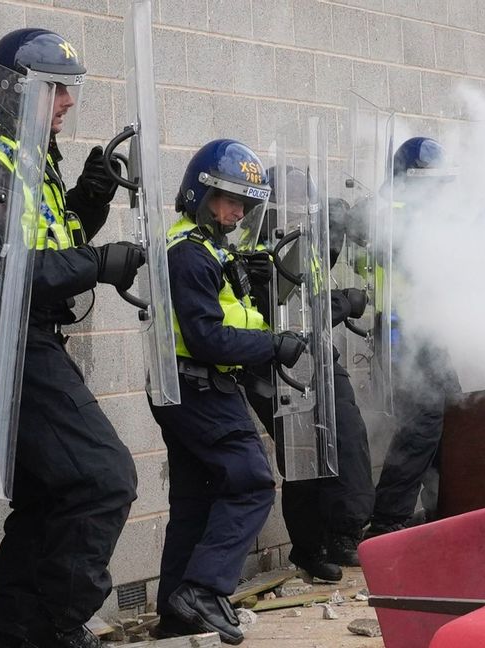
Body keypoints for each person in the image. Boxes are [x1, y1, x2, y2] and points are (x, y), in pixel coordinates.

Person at [0, 29, 141, 648]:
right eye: (56, 88)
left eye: (71, 88)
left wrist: (89, 202)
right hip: (4, 344)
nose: (69, 100)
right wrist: (100, 262)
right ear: (17, 89)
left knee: (50, 495)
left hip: (29, 338)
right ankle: (56, 626)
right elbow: (5, 270)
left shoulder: (31, 158)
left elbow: (48, 247)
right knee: (104, 479)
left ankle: (15, 632)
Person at [151, 140, 305, 644]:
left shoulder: (207, 248)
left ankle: (176, 615)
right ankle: (203, 590)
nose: (237, 211)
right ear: (200, 192)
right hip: (198, 384)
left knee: (195, 500)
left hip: (186, 384)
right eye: (228, 198)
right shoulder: (190, 255)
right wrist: (272, 345)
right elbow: (206, 337)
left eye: (245, 202)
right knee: (252, 482)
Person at [242, 170, 374, 581]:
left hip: (316, 356)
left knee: (344, 437)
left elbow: (310, 281)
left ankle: (340, 535)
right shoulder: (259, 253)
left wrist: (335, 234)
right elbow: (285, 309)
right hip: (278, 363)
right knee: (302, 454)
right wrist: (342, 303)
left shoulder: (303, 242)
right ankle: (311, 546)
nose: (304, 214)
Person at [365, 137, 462, 538]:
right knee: (421, 422)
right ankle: (388, 519)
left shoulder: (414, 214)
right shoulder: (395, 215)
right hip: (402, 330)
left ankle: (445, 506)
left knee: (454, 415)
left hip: (423, 329)